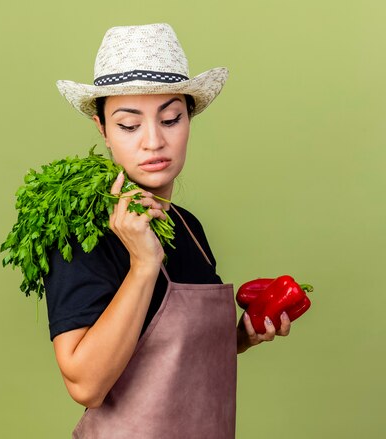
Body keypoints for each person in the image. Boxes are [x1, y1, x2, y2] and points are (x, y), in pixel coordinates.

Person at [45, 23, 292, 438]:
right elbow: (85, 384)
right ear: (102, 130)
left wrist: (240, 338)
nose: (154, 141)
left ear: (189, 119)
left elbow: (163, 358)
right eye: (128, 125)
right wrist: (143, 263)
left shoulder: (187, 226)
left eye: (171, 118)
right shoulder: (82, 232)